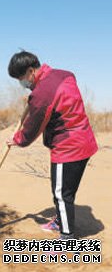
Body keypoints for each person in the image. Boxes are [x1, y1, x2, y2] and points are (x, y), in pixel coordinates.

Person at [6, 51, 98, 240]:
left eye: (21, 78)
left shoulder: (42, 94)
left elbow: (33, 128)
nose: (22, 84)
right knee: (65, 190)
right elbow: (56, 96)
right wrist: (36, 96)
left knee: (62, 194)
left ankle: (67, 238)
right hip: (83, 140)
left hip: (69, 147)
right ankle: (60, 221)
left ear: (31, 71)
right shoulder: (63, 74)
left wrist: (18, 139)